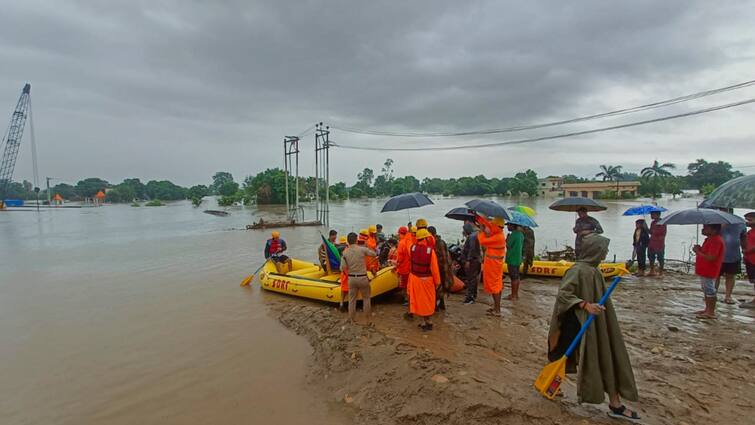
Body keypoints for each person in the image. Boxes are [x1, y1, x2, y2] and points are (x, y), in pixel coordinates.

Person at [547, 231, 640, 421]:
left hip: (594, 323)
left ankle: (615, 403)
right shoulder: (576, 270)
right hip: (574, 322)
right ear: (594, 251)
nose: (605, 254)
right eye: (603, 250)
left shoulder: (595, 271)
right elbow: (564, 295)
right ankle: (551, 385)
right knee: (559, 356)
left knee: (604, 357)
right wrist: (585, 305)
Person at [407, 228, 441, 331]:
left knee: (418, 301)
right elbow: (434, 269)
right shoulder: (430, 251)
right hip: (426, 280)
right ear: (426, 238)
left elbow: (411, 263)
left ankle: (423, 321)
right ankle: (428, 321)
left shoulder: (411, 248)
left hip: (414, 278)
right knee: (427, 301)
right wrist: (438, 282)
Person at [341, 232, 378, 322]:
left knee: (352, 300)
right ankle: (367, 320)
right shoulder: (362, 250)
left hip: (352, 278)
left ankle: (351, 319)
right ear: (356, 240)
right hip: (362, 277)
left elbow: (342, 268)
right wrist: (367, 246)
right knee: (366, 298)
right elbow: (374, 254)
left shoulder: (345, 252)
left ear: (348, 241)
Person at [693, 224, 725, 319]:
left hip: (710, 269)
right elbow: (706, 253)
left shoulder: (716, 241)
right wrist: (699, 249)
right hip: (704, 269)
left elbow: (712, 257)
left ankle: (711, 312)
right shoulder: (709, 239)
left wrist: (698, 252)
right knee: (706, 289)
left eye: (706, 228)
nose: (703, 229)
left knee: (709, 290)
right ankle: (707, 309)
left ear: (714, 230)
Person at [715, 210, 747, 305]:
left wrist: (745, 251)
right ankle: (713, 295)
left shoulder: (740, 222)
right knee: (716, 276)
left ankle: (728, 296)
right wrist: (720, 226)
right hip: (718, 254)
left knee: (731, 275)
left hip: (733, 254)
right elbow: (707, 232)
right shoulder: (715, 221)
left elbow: (743, 237)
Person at [477, 215, 506, 316]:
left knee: (495, 286)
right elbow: (488, 224)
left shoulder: (498, 237)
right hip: (493, 263)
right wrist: (478, 217)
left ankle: (497, 310)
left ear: (497, 226)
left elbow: (481, 241)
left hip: (493, 265)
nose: (491, 226)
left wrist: (481, 231)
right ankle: (496, 307)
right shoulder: (498, 233)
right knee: (496, 285)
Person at [428, 226, 453, 311]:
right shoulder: (435, 242)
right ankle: (440, 304)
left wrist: (446, 270)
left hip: (441, 268)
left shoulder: (439, 243)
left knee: (438, 286)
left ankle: (437, 305)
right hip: (438, 267)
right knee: (438, 287)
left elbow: (445, 258)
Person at [460, 222, 482, 304]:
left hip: (472, 261)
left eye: (464, 230)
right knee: (473, 279)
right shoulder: (473, 236)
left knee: (471, 279)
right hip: (475, 260)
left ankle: (470, 298)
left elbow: (472, 249)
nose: (463, 232)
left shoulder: (472, 237)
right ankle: (473, 295)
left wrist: (468, 260)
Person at [505, 223, 524, 301]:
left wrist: (507, 239)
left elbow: (508, 245)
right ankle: (515, 294)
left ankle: (513, 295)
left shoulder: (513, 235)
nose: (507, 227)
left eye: (508, 225)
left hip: (512, 258)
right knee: (516, 277)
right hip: (518, 258)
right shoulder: (521, 234)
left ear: (513, 226)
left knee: (513, 278)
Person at [393, 226, 412, 305]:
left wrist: (396, 264)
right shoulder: (409, 240)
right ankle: (409, 299)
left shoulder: (402, 243)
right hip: (410, 266)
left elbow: (400, 257)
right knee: (409, 284)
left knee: (404, 285)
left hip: (404, 267)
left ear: (400, 233)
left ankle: (407, 300)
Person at [741, 212, 755, 308]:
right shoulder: (749, 232)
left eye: (749, 220)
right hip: (749, 259)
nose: (747, 222)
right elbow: (744, 245)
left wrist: (747, 250)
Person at [647, 211, 667, 277]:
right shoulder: (653, 223)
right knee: (650, 257)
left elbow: (662, 233)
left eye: (652, 214)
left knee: (660, 258)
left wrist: (654, 232)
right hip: (652, 242)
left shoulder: (662, 222)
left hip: (659, 243)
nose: (651, 215)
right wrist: (646, 228)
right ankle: (652, 270)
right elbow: (650, 232)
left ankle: (661, 272)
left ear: (657, 215)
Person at [338, 236, 350, 312]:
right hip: (348, 272)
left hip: (344, 272)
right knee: (348, 289)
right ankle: (346, 304)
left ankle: (341, 303)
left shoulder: (339, 249)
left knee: (343, 289)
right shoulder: (347, 251)